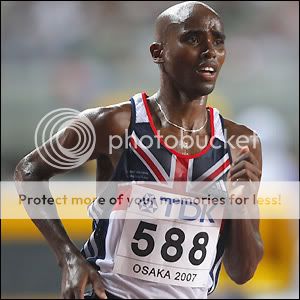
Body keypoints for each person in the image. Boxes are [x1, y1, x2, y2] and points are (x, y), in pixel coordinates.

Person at [14, 1, 264, 299]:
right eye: (193, 38)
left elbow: (242, 271)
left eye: (218, 41)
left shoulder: (241, 144)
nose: (210, 50)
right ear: (158, 52)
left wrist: (239, 201)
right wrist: (68, 257)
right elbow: (29, 170)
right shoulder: (116, 124)